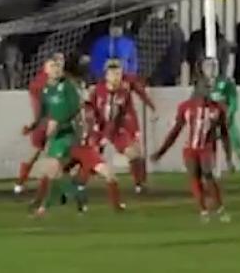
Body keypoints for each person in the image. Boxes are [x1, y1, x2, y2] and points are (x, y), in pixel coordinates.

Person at [150, 85, 232, 222]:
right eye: (205, 90)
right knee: (194, 176)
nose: (208, 94)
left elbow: (224, 133)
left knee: (207, 173)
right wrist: (161, 151)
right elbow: (175, 131)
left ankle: (220, 208)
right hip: (190, 149)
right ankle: (203, 211)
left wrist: (228, 157)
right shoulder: (186, 107)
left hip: (206, 147)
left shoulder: (217, 109)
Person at [22, 58, 83, 218]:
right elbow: (43, 114)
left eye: (58, 66)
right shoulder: (46, 91)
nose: (56, 69)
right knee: (54, 173)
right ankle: (78, 198)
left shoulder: (67, 87)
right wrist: (32, 127)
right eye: (53, 66)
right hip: (55, 136)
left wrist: (59, 123)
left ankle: (43, 207)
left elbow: (75, 108)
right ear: (46, 71)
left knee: (53, 169)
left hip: (68, 133)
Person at [88, 59, 155, 194]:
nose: (116, 77)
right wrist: (94, 128)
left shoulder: (124, 91)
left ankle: (140, 184)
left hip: (118, 127)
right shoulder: (96, 90)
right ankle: (76, 184)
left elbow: (126, 112)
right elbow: (90, 109)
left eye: (118, 73)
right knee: (88, 157)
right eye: (112, 73)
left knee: (135, 153)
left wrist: (136, 128)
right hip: (100, 127)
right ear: (106, 75)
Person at [201, 57, 240, 194]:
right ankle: (207, 184)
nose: (211, 70)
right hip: (209, 125)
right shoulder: (201, 86)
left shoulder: (226, 82)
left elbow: (234, 101)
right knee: (205, 153)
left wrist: (229, 115)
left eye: (213, 66)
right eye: (208, 67)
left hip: (227, 123)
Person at [14, 53, 65, 194]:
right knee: (47, 154)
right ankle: (35, 186)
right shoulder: (41, 83)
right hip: (47, 123)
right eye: (54, 64)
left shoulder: (61, 81)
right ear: (46, 67)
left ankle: (21, 182)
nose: (58, 67)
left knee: (42, 153)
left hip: (49, 123)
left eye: (59, 64)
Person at [138, 8, 186, 86]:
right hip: (170, 68)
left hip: (157, 69)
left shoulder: (151, 30)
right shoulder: (178, 31)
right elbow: (183, 50)